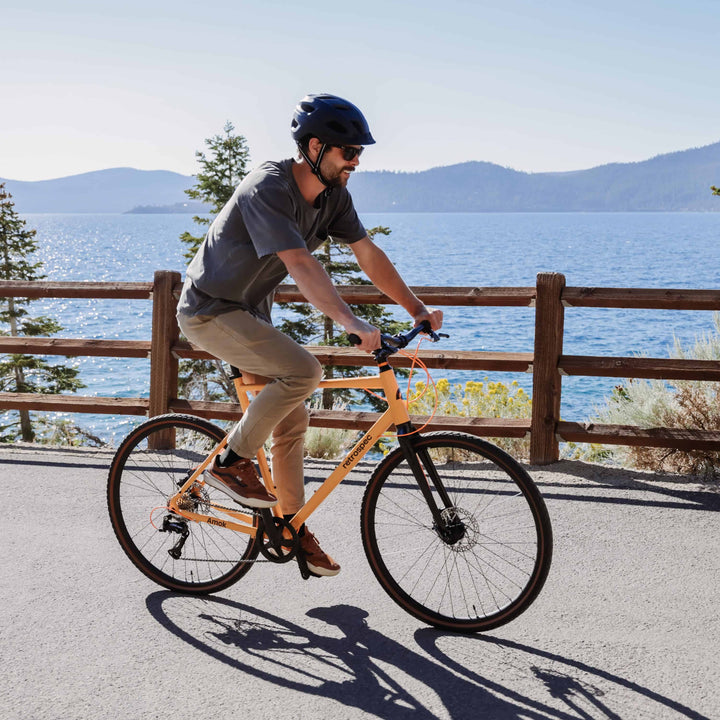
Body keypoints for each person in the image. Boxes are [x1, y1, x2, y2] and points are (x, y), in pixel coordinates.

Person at [176, 93, 443, 577]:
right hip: (209, 310)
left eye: (360, 153)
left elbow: (367, 252)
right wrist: (353, 324)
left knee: (292, 417)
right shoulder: (268, 187)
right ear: (316, 147)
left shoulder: (333, 196)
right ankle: (230, 461)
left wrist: (416, 307)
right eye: (349, 152)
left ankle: (289, 527)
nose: (356, 162)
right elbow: (300, 263)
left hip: (249, 313)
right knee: (305, 370)